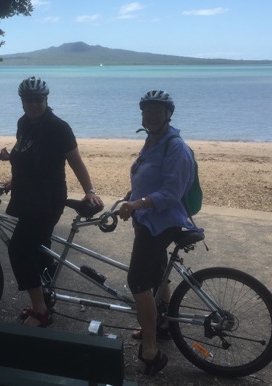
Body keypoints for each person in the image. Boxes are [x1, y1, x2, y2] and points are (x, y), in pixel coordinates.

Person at [5, 76, 103, 327]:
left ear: (46, 100)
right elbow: (23, 156)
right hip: (26, 196)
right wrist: (12, 182)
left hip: (47, 200)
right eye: (29, 100)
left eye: (38, 99)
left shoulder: (58, 127)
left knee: (18, 248)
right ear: (22, 101)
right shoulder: (23, 124)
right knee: (39, 250)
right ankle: (47, 298)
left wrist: (89, 189)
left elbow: (75, 161)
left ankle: (40, 310)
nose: (34, 104)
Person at [118, 90, 196, 376]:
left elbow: (171, 193)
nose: (151, 115)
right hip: (148, 219)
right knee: (158, 272)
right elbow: (148, 178)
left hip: (163, 221)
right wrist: (132, 196)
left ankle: (151, 352)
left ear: (168, 114)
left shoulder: (175, 147)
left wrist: (137, 203)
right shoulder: (152, 141)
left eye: (157, 111)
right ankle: (162, 324)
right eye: (147, 111)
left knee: (138, 281)